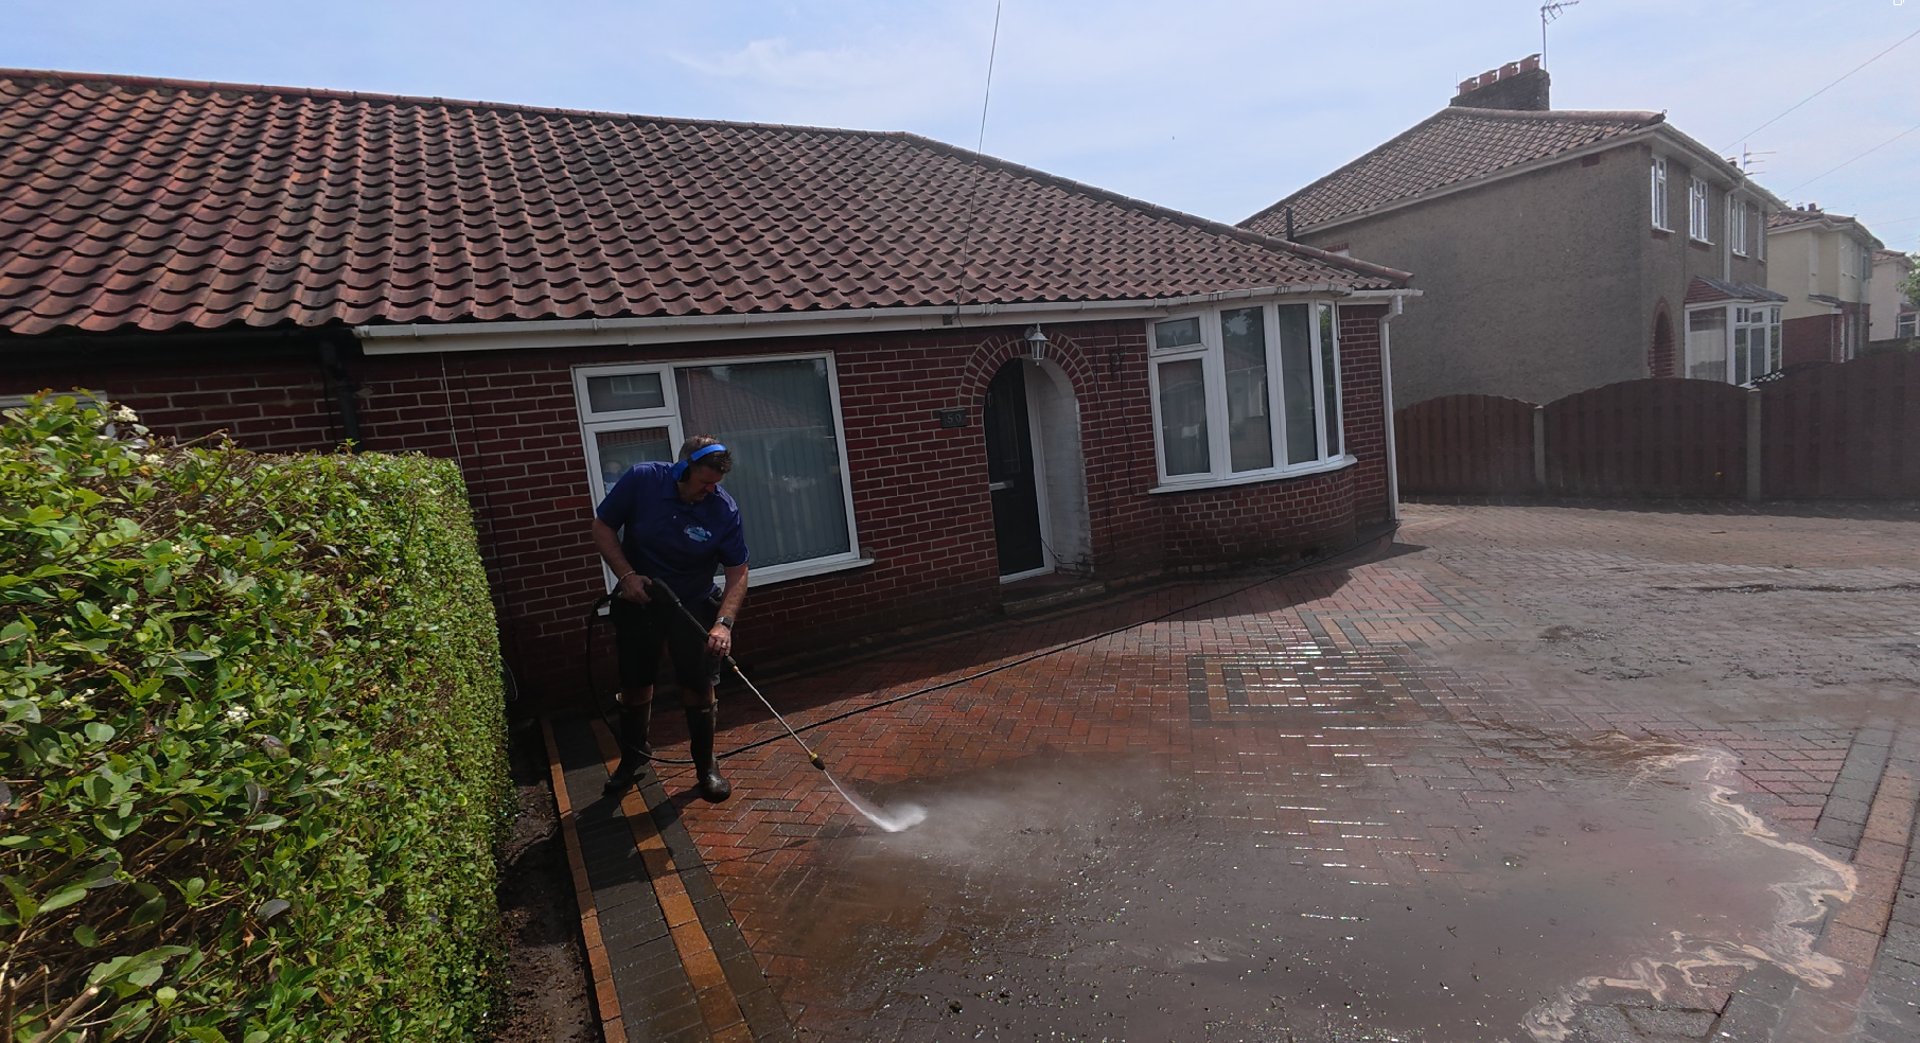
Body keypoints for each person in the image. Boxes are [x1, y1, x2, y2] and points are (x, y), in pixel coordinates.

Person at [591, 436, 749, 802]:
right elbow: (602, 527)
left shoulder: (723, 509)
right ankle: (632, 758)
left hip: (692, 604)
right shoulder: (643, 480)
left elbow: (738, 571)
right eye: (703, 483)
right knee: (635, 682)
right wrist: (626, 576)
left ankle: (706, 766)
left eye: (715, 484)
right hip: (640, 600)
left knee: (697, 685)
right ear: (682, 470)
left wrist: (722, 624)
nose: (709, 491)